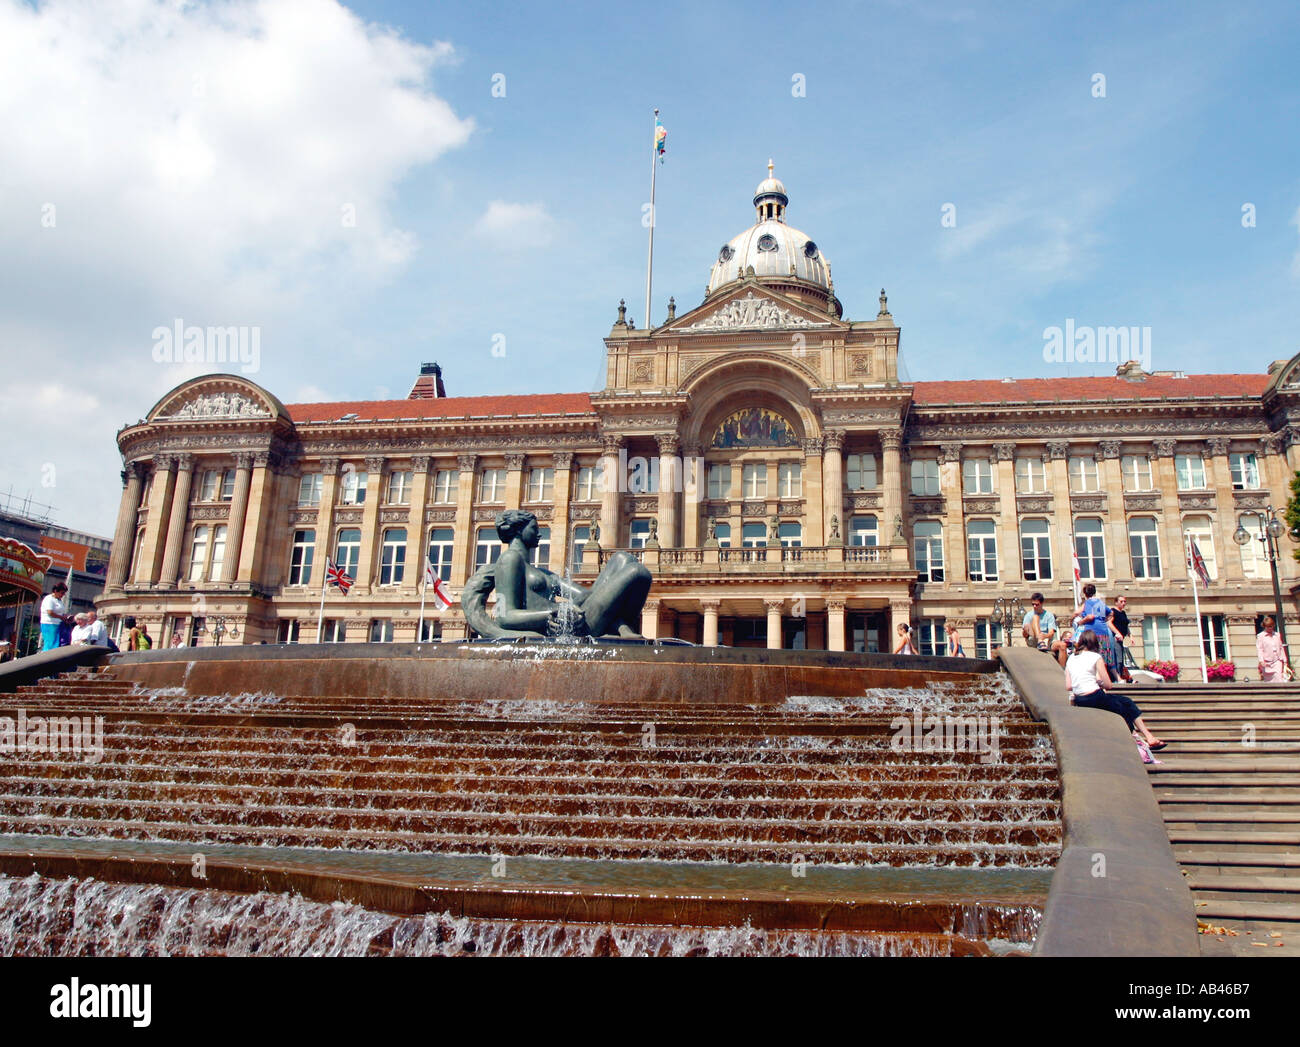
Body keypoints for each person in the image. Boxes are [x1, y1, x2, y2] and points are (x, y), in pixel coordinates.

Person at [462, 509, 652, 639]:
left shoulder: (538, 570)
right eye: (534, 529)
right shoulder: (509, 560)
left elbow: (585, 596)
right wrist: (555, 612)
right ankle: (620, 626)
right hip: (568, 629)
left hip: (577, 620)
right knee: (638, 572)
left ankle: (619, 626)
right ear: (519, 530)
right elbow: (505, 616)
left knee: (622, 558)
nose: (539, 534)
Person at [1066, 631, 1165, 750]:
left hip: (1080, 699)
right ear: (1095, 643)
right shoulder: (1095, 657)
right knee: (1126, 703)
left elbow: (1068, 686)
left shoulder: (1071, 657)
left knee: (1120, 705)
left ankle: (1141, 738)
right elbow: (1108, 685)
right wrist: (1099, 682)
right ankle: (1147, 737)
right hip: (1095, 696)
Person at [1073, 583, 1123, 682]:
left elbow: (1085, 615)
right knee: (1107, 655)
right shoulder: (1100, 602)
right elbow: (1111, 613)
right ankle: (1118, 678)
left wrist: (1076, 621)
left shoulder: (1087, 603)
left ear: (1085, 594)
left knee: (1092, 654)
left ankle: (1097, 677)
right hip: (1103, 630)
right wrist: (1104, 619)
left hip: (1092, 631)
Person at [39, 583, 73, 652]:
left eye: (64, 593)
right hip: (49, 623)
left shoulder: (59, 600)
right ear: (55, 591)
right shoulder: (49, 599)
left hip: (58, 624)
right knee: (50, 643)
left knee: (57, 644)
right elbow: (50, 612)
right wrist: (61, 617)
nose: (63, 595)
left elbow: (60, 612)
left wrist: (65, 617)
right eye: (62, 593)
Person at [1109, 595, 1134, 683]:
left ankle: (1119, 677)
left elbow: (1125, 626)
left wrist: (1130, 636)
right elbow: (1109, 623)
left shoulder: (1123, 613)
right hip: (1116, 638)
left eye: (1124, 601)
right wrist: (1117, 633)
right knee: (1118, 659)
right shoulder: (1113, 611)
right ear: (1116, 602)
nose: (1123, 603)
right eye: (1121, 601)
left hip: (1123, 639)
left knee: (1122, 659)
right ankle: (1116, 678)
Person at [1257, 616, 1290, 682]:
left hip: (1277, 661)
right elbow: (1260, 649)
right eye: (1268, 626)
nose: (1270, 628)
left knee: (1279, 678)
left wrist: (1285, 660)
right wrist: (1261, 661)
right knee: (1269, 681)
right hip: (1267, 663)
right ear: (1264, 626)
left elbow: (1281, 648)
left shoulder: (1277, 635)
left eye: (1271, 626)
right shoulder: (1260, 636)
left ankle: (1281, 692)